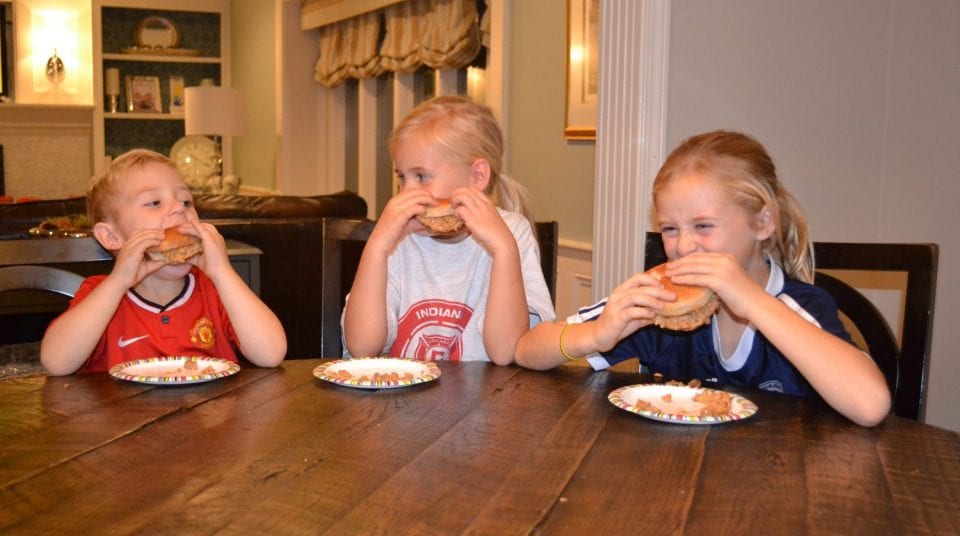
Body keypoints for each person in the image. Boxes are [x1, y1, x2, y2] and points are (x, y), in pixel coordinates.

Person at [515, 130, 891, 426]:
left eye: (704, 225)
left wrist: (752, 302)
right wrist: (597, 335)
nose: (684, 246)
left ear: (762, 222)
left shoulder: (798, 306)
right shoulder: (659, 305)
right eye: (670, 228)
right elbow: (526, 350)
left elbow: (870, 405)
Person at [342, 96, 555, 365]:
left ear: (477, 176)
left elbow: (506, 353)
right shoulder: (398, 240)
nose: (406, 192)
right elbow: (362, 347)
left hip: (488, 402)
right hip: (398, 403)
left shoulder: (512, 233)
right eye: (402, 177)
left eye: (421, 176)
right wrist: (377, 246)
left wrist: (503, 250)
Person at [40, 149, 286, 375]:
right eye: (154, 202)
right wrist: (118, 282)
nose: (179, 209)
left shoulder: (216, 290)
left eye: (186, 201)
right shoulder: (98, 295)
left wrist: (223, 272)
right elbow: (56, 363)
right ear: (111, 236)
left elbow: (271, 354)